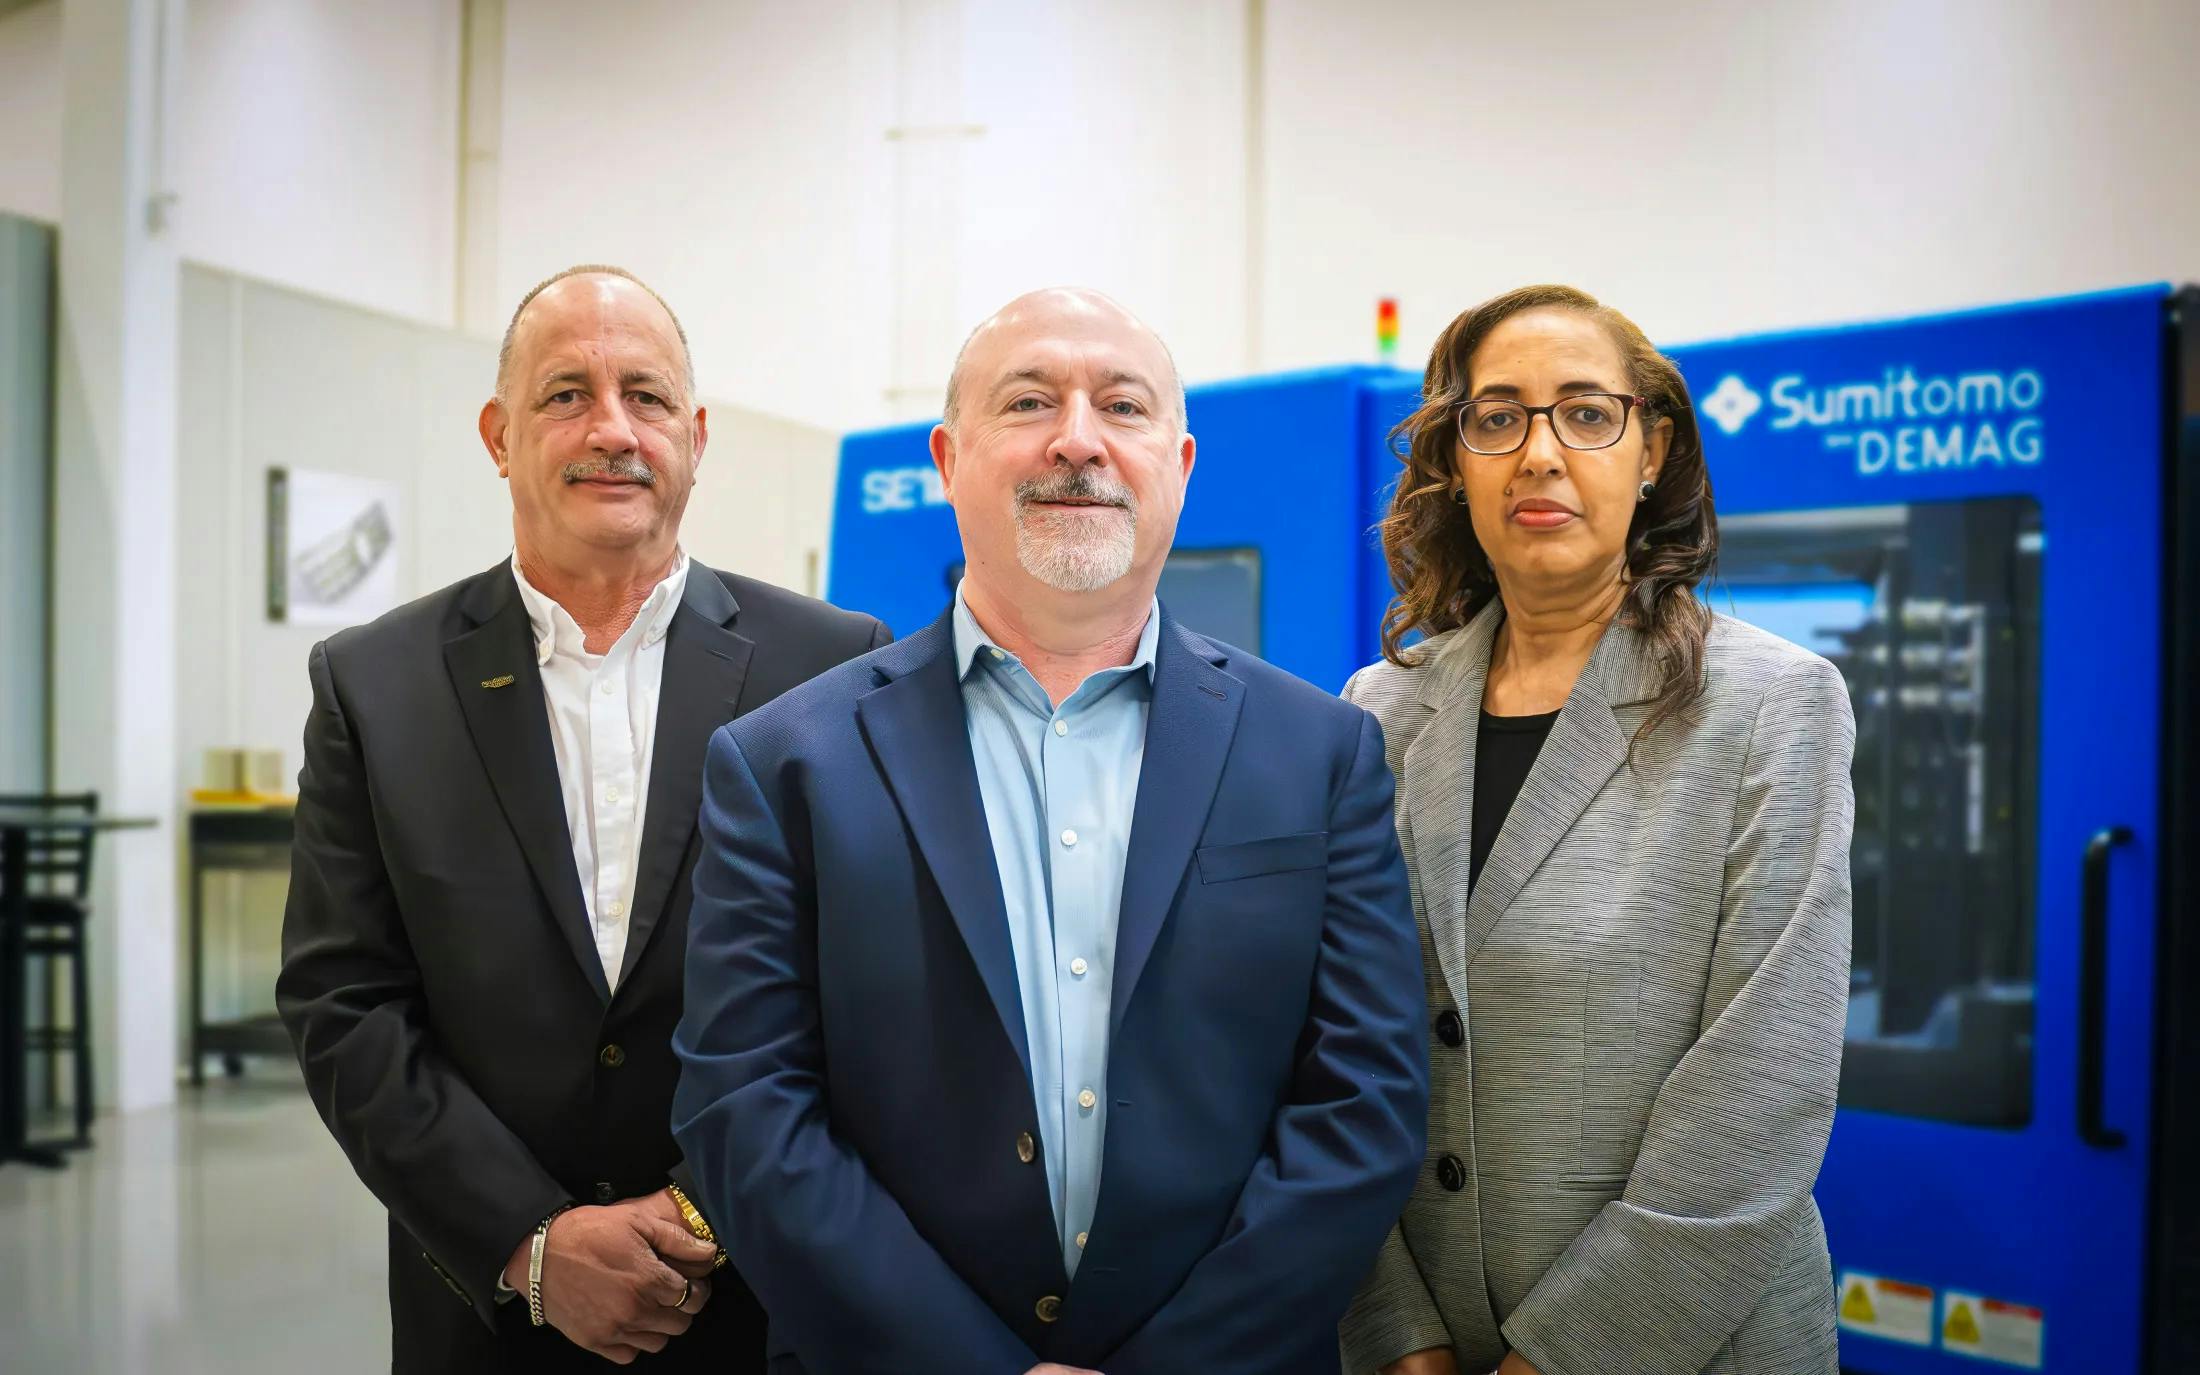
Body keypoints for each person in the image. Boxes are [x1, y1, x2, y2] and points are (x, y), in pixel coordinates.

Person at [671, 287, 1430, 1374]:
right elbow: (744, 1106)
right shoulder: (784, 762)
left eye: (1121, 407)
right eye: (1029, 401)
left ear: (1180, 463)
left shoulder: (1320, 754)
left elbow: (1365, 1101)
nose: (1077, 440)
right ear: (946, 456)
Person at [277, 265, 889, 1373]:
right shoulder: (376, 684)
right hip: (487, 1313)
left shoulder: (835, 664)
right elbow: (345, 999)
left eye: (645, 396)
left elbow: (868, 982)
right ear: (498, 435)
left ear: (695, 438)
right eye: (566, 394)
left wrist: (699, 1221)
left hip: (757, 1304)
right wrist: (533, 1240)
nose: (612, 428)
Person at [1338, 285, 1853, 1375]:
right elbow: (1324, 1043)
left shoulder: (1769, 704)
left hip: (1681, 1342)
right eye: (1496, 417)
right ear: (1455, 461)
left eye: (1585, 412)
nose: (1538, 453)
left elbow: (1760, 1092)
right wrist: (1394, 1333)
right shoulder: (1376, 714)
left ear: (1652, 447)